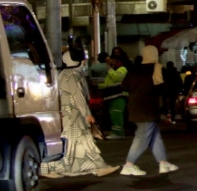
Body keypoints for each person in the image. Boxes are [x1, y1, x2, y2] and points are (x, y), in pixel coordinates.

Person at [41, 51, 120, 178]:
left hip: (70, 114)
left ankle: (52, 168)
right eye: (82, 60)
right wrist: (87, 113)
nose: (84, 62)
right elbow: (78, 96)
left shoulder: (66, 74)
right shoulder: (72, 75)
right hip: (74, 114)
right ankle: (98, 167)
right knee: (80, 142)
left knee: (75, 143)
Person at [120, 46, 179, 176]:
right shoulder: (157, 69)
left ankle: (163, 163)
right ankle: (129, 165)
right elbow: (164, 89)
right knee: (142, 137)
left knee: (154, 135)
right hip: (148, 109)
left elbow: (124, 86)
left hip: (134, 107)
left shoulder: (134, 69)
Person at [100, 51, 131, 139]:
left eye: (111, 60)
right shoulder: (111, 71)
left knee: (116, 114)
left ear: (117, 61)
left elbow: (117, 77)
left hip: (119, 95)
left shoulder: (122, 69)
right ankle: (118, 133)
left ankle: (117, 133)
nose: (110, 62)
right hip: (110, 96)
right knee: (114, 115)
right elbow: (105, 83)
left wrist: (109, 70)